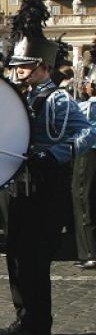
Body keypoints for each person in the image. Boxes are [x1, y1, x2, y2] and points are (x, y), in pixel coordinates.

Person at [0, 0, 96, 335]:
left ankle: (36, 324)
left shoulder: (58, 99)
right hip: (19, 187)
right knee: (16, 256)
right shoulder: (19, 96)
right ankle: (23, 318)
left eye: (24, 65)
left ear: (41, 66)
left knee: (35, 259)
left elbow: (90, 131)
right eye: (18, 65)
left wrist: (56, 154)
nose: (18, 70)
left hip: (46, 186)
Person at [73, 78, 96, 269]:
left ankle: (89, 251)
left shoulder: (89, 105)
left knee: (83, 199)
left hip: (89, 151)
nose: (85, 85)